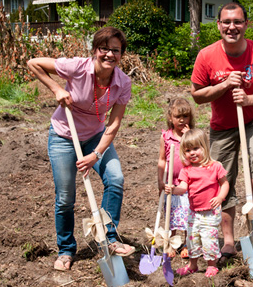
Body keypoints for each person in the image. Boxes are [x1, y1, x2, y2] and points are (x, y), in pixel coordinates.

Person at [27, 27, 135, 271]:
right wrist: (56, 88)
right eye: (104, 48)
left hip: (95, 137)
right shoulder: (77, 67)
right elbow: (33, 63)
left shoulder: (123, 83)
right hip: (64, 136)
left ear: (121, 55)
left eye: (115, 50)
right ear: (95, 50)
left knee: (115, 178)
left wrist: (95, 154)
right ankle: (66, 250)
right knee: (66, 198)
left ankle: (108, 239)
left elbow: (114, 123)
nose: (109, 54)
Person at [190, 1, 253, 258]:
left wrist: (250, 99)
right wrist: (223, 86)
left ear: (246, 24)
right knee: (221, 179)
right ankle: (228, 240)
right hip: (221, 126)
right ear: (218, 25)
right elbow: (197, 96)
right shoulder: (206, 56)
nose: (232, 27)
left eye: (238, 22)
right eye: (227, 22)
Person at [165, 128, 229, 277]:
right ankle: (192, 265)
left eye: (195, 148)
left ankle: (211, 265)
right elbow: (183, 188)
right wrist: (173, 189)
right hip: (194, 212)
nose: (192, 153)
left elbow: (225, 184)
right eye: (187, 150)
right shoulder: (186, 171)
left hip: (210, 212)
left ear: (204, 147)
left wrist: (220, 197)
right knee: (192, 239)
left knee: (209, 238)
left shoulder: (215, 166)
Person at [157, 98, 194, 258]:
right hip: (171, 183)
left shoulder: (192, 136)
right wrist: (160, 180)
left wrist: (188, 137)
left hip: (188, 183)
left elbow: (199, 155)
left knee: (188, 213)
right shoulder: (166, 136)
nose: (181, 120)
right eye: (178, 117)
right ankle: (170, 241)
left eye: (185, 117)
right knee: (171, 213)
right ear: (170, 117)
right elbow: (162, 160)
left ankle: (187, 243)